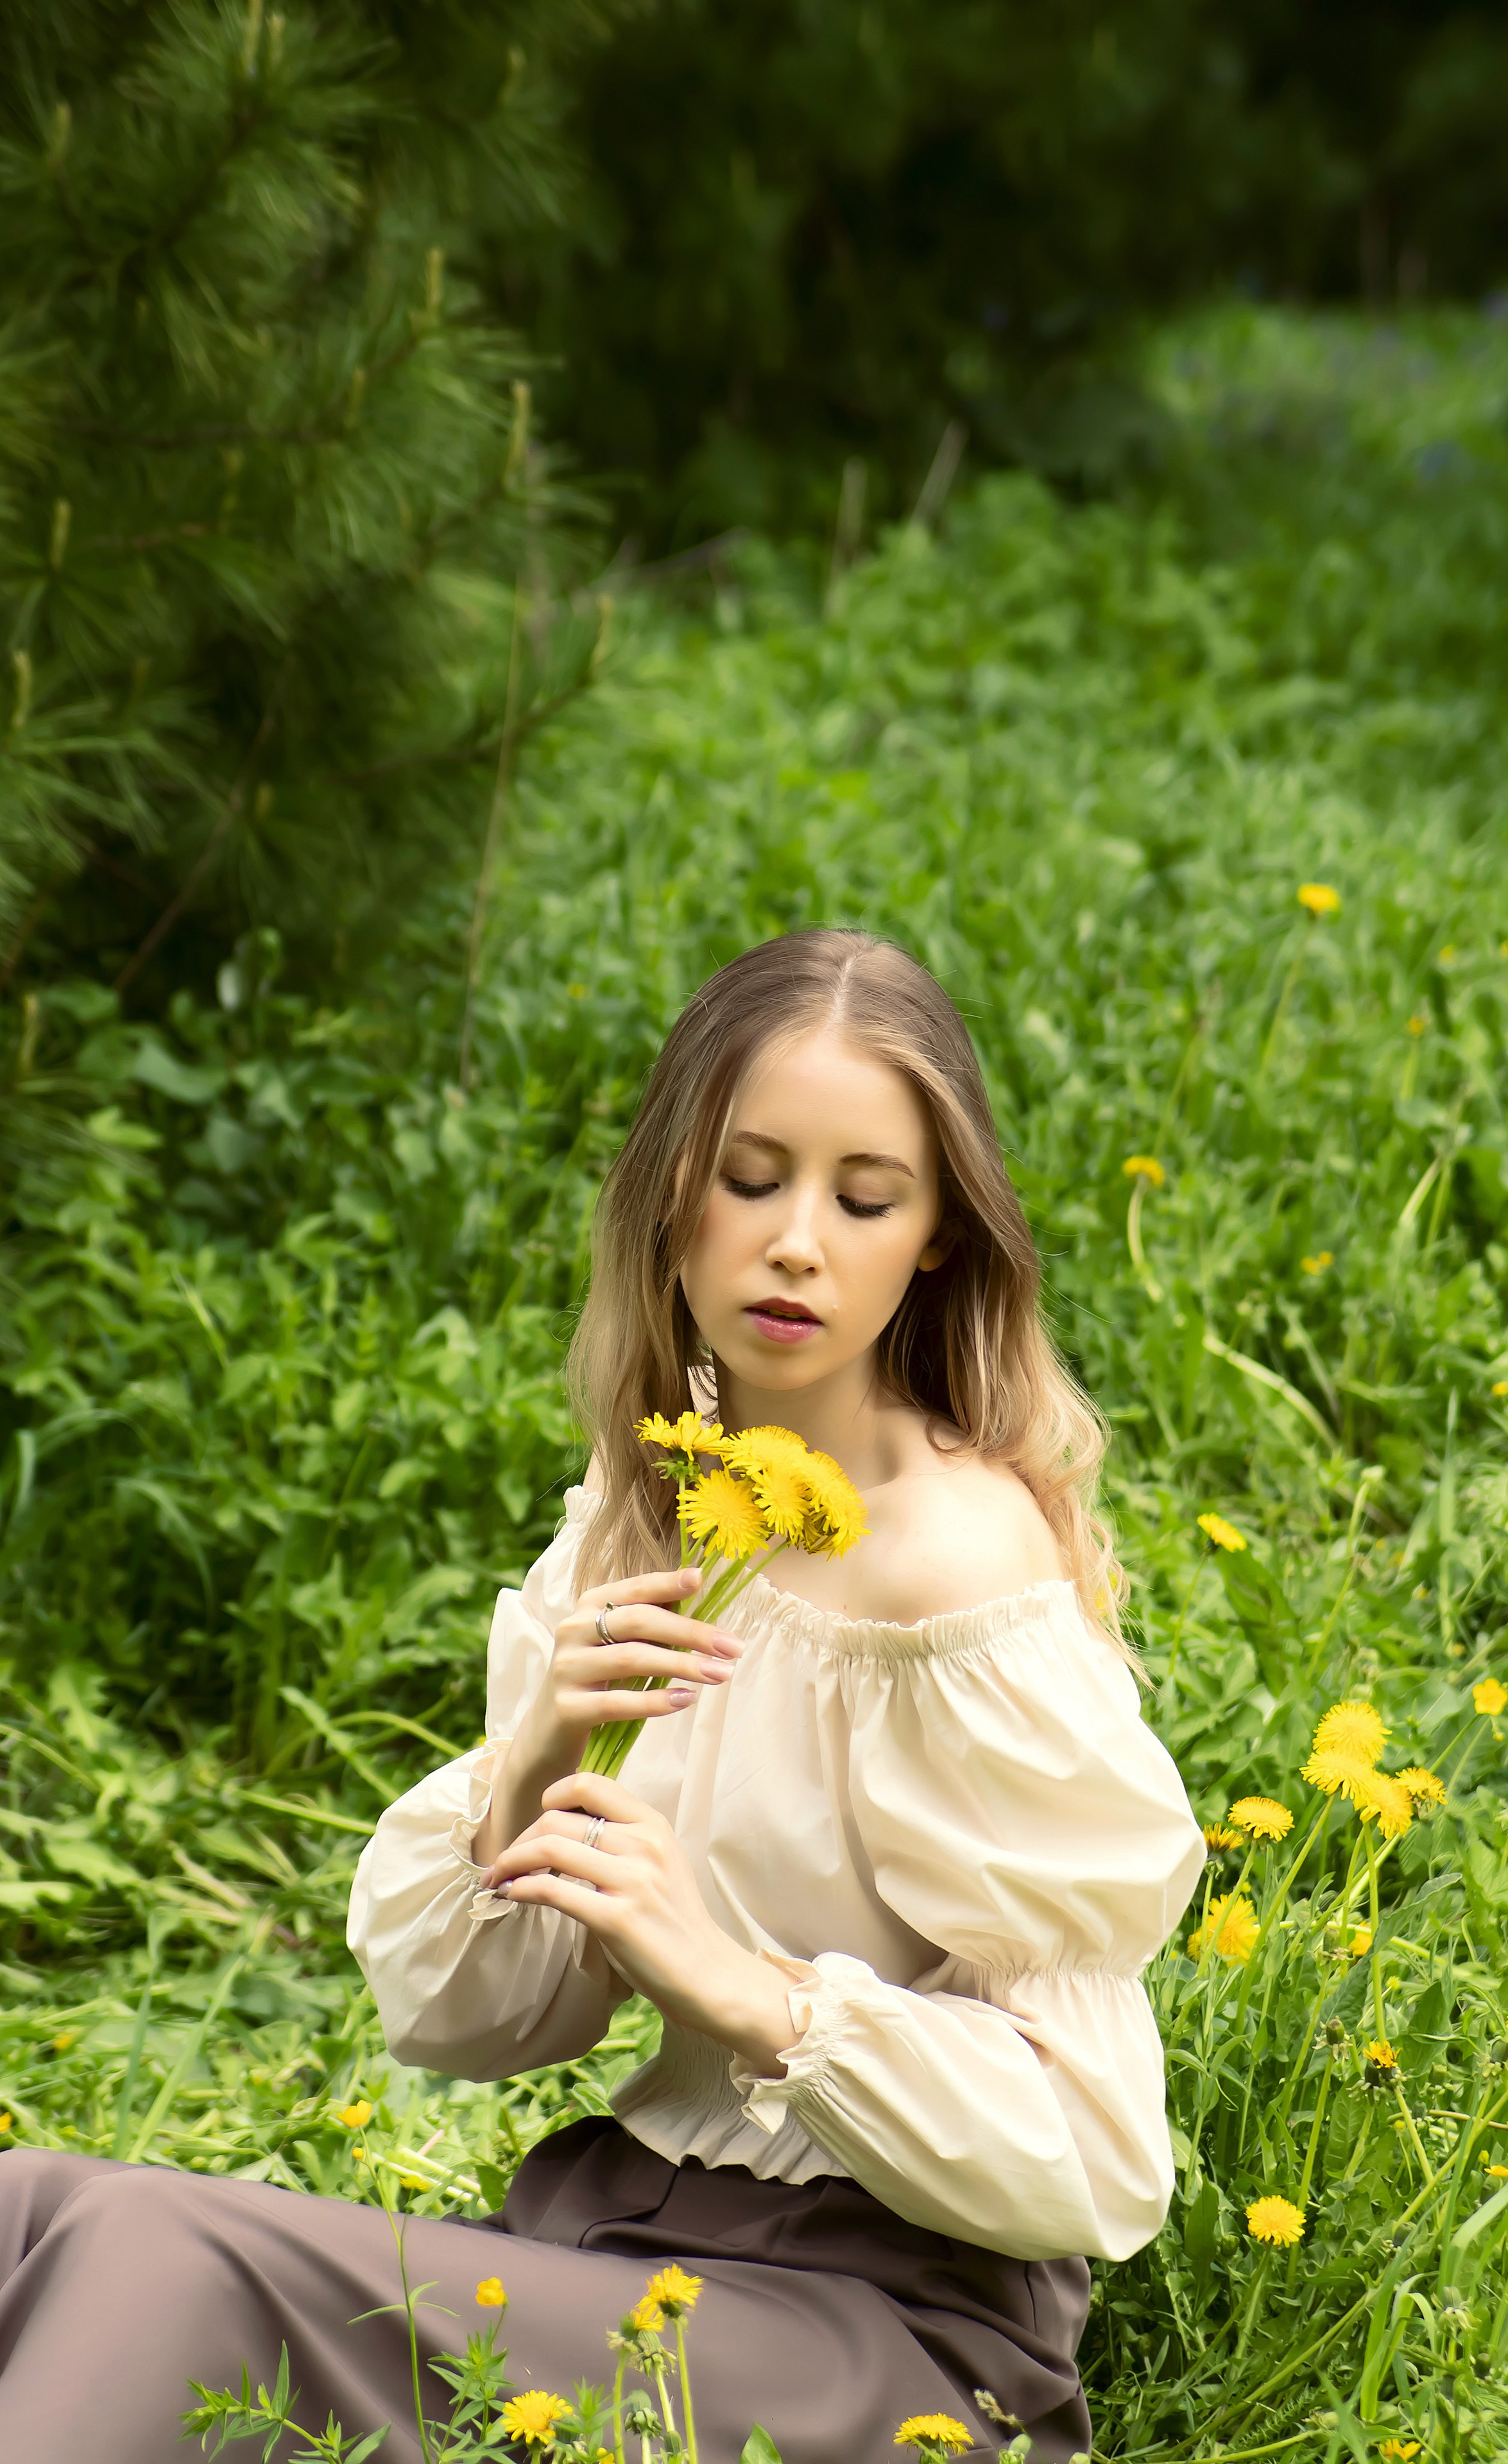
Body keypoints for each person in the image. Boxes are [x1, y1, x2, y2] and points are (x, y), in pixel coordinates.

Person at [0, 928, 1204, 2461]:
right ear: (669, 1199)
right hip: (624, 2263)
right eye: (750, 1177)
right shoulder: (653, 1513)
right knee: (32, 2210)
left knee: (155, 2260)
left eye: (864, 1197)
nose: (794, 1243)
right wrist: (534, 1765)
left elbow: (1092, 2160)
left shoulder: (949, 1572)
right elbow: (467, 2025)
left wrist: (747, 1996)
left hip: (882, 2345)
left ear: (936, 1240)